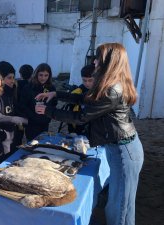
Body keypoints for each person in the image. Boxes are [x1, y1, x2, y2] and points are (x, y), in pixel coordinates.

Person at [35, 43, 144, 225]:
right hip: (118, 146)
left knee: (120, 209)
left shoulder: (112, 89)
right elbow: (86, 99)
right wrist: (57, 94)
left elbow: (81, 117)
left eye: (98, 58)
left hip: (124, 151)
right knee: (117, 204)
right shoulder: (111, 84)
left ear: (109, 61)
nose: (94, 61)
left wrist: (47, 111)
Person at [0, 61, 28, 154]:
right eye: (9, 78)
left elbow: (16, 110)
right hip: (2, 139)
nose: (12, 81)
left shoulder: (12, 92)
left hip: (13, 137)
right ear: (0, 78)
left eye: (13, 77)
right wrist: (14, 119)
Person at [20, 63, 57, 141]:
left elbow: (54, 104)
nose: (43, 78)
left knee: (43, 144)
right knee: (32, 145)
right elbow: (22, 105)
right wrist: (33, 116)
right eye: (41, 75)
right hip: (31, 124)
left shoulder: (51, 88)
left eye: (46, 75)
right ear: (36, 74)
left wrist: (48, 116)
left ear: (49, 76)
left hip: (45, 123)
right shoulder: (29, 87)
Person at [65, 64, 95, 136]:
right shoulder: (78, 92)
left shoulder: (102, 92)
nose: (87, 83)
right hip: (79, 128)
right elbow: (71, 112)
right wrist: (72, 130)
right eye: (84, 80)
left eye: (90, 80)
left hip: (96, 131)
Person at [15, 64, 34, 145]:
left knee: (19, 135)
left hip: (18, 113)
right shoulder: (33, 86)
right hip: (29, 114)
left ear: (20, 74)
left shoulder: (16, 84)